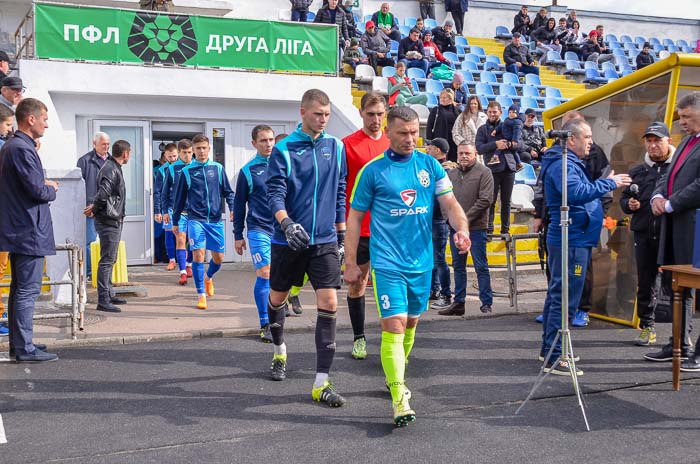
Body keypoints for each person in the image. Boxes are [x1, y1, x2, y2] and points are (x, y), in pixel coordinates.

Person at [344, 106, 470, 427]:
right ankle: (399, 394)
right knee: (394, 325)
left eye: (415, 132)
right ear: (388, 132)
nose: (410, 139)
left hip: (421, 262)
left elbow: (450, 204)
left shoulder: (429, 165)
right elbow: (355, 218)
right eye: (403, 133)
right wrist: (350, 262)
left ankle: (396, 373)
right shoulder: (373, 171)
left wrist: (462, 229)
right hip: (387, 263)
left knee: (412, 324)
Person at [265, 89, 348, 408]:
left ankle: (321, 382)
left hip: (324, 239)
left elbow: (340, 189)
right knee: (277, 298)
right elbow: (274, 194)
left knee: (329, 301)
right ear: (303, 113)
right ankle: (279, 350)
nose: (323, 120)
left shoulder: (335, 147)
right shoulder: (283, 149)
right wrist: (286, 223)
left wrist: (340, 235)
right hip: (287, 240)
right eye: (318, 114)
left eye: (327, 114)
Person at [539, 118, 630, 375]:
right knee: (565, 298)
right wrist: (609, 184)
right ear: (571, 139)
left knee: (563, 296)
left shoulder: (569, 162)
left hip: (576, 237)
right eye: (587, 137)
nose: (591, 142)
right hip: (571, 239)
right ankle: (555, 356)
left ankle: (553, 349)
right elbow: (576, 192)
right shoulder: (562, 164)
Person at [0, 98, 59, 362]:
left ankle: (21, 344)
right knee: (26, 291)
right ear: (31, 119)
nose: (47, 124)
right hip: (28, 230)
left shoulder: (16, 147)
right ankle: (24, 348)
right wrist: (52, 188)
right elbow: (36, 190)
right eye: (44, 119)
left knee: (19, 290)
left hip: (21, 228)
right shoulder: (21, 149)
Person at [647, 93, 700, 368]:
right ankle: (679, 342)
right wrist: (657, 197)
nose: (681, 123)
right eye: (681, 117)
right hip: (675, 227)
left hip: (694, 228)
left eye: (687, 117)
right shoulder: (686, 144)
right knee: (678, 287)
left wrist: (670, 204)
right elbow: (668, 176)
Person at [342, 91, 390, 360]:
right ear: (361, 113)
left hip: (387, 231)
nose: (376, 119)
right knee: (357, 285)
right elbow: (340, 188)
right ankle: (359, 338)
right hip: (359, 229)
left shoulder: (393, 144)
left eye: (380, 114)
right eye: (371, 114)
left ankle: (390, 338)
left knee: (387, 285)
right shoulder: (347, 145)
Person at [619, 122, 674, 347]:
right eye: (649, 141)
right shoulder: (637, 170)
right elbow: (623, 199)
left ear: (668, 141)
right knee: (645, 282)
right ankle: (647, 327)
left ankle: (679, 335)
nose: (652, 145)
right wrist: (628, 204)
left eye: (657, 140)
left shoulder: (678, 168)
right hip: (643, 233)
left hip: (671, 234)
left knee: (675, 284)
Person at [172, 134, 235, 310]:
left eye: (204, 148)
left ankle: (208, 278)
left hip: (214, 220)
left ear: (209, 149)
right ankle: (201, 294)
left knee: (219, 258)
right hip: (195, 219)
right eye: (197, 148)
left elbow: (228, 192)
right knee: (198, 255)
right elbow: (179, 199)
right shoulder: (187, 172)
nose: (201, 151)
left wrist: (233, 208)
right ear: (193, 150)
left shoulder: (218, 168)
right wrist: (176, 221)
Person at [439, 142, 494, 315]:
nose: (464, 156)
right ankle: (459, 302)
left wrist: (463, 221)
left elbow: (485, 200)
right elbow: (444, 199)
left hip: (477, 227)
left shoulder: (484, 172)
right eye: (461, 153)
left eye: (467, 153)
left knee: (480, 265)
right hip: (455, 228)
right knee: (458, 266)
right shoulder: (452, 174)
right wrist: (451, 220)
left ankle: (486, 303)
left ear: (475, 154)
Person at [234, 125, 276, 344]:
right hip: (258, 228)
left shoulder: (283, 165)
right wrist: (237, 235)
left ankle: (277, 313)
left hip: (281, 229)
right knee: (265, 273)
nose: (268, 144)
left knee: (282, 276)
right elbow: (239, 205)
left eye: (271, 140)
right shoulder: (247, 171)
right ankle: (264, 323)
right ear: (254, 144)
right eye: (263, 141)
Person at [84, 140, 131, 313]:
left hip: (112, 219)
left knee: (111, 259)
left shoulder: (112, 167)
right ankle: (103, 299)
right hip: (108, 221)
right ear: (125, 154)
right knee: (107, 260)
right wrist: (95, 208)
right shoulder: (110, 168)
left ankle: (109, 294)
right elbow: (103, 193)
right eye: (129, 153)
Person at [476, 101, 520, 236]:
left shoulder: (511, 124)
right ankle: (489, 230)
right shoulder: (483, 129)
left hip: (509, 168)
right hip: (492, 169)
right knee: (491, 200)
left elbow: (520, 145)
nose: (492, 114)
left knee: (506, 201)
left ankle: (505, 231)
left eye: (494, 112)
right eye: (489, 112)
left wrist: (508, 144)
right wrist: (495, 144)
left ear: (500, 112)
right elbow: (479, 148)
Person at [425, 137, 454, 310]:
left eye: (430, 146)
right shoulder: (433, 167)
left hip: (439, 219)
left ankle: (446, 293)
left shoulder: (445, 170)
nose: (427, 148)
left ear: (437, 150)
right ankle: (433, 290)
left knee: (439, 259)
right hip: (432, 218)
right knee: (432, 258)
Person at [77, 132, 111, 280]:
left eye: (108, 144)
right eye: (103, 144)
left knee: (108, 241)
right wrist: (87, 205)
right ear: (94, 143)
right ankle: (90, 272)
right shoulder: (85, 161)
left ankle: (106, 274)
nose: (106, 147)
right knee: (90, 241)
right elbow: (79, 187)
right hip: (91, 208)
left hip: (109, 209)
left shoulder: (112, 161)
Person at [161, 139, 194, 285]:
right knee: (180, 238)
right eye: (184, 153)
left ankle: (189, 265)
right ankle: (182, 273)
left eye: (189, 152)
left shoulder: (197, 167)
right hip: (178, 211)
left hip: (195, 211)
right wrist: (164, 211)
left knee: (192, 241)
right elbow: (164, 192)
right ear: (179, 152)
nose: (187, 155)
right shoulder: (172, 169)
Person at [153, 144, 178, 269]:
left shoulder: (185, 167)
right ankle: (172, 260)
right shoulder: (162, 170)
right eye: (170, 156)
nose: (172, 159)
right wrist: (158, 211)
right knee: (168, 233)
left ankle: (188, 261)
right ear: (165, 156)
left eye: (174, 156)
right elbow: (157, 192)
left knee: (185, 235)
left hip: (184, 208)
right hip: (169, 207)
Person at [426, 89, 461, 162]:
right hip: (440, 140)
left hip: (453, 141)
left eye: (445, 97)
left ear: (450, 99)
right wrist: (429, 142)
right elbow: (429, 126)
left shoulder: (457, 111)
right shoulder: (436, 110)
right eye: (441, 97)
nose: (442, 99)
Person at [488, 103, 525, 170]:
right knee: (514, 152)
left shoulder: (517, 122)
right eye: (510, 112)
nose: (511, 114)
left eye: (513, 112)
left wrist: (514, 140)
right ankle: (519, 163)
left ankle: (495, 158)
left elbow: (517, 132)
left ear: (517, 114)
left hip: (510, 139)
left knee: (500, 147)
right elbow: (501, 126)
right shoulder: (507, 119)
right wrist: (495, 131)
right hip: (506, 137)